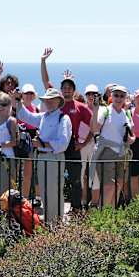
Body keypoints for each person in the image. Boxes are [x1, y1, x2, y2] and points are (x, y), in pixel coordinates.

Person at [40, 48, 93, 211]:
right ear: (61, 89)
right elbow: (45, 81)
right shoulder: (55, 101)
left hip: (72, 145)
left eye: (70, 87)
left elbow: (94, 126)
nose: (67, 89)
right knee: (55, 179)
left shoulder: (80, 107)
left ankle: (76, 209)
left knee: (76, 180)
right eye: (64, 87)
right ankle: (55, 208)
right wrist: (43, 61)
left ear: (74, 90)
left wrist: (83, 144)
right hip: (54, 145)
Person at [14, 87, 72, 222]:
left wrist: (42, 144)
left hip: (53, 158)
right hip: (42, 158)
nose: (49, 102)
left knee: (53, 191)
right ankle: (50, 223)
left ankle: (56, 224)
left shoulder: (64, 118)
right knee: (45, 192)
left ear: (59, 101)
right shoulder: (44, 117)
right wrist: (18, 100)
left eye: (52, 100)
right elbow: (24, 116)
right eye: (47, 100)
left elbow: (63, 143)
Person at [89, 85, 135, 207]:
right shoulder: (105, 111)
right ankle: (102, 217)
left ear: (125, 98)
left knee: (118, 185)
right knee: (109, 187)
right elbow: (94, 129)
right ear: (111, 96)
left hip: (122, 153)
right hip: (106, 152)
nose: (119, 98)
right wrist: (95, 110)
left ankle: (110, 217)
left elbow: (133, 135)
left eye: (122, 96)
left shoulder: (127, 114)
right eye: (116, 95)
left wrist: (130, 139)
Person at [81, 84, 104, 204]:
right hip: (82, 145)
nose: (91, 96)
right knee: (82, 173)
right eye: (88, 94)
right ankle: (84, 200)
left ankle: (94, 202)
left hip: (95, 145)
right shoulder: (81, 108)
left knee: (95, 174)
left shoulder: (103, 110)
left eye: (94, 94)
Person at [18, 83, 40, 199]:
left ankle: (29, 198)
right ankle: (23, 198)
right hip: (19, 143)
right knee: (21, 173)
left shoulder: (37, 109)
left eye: (31, 93)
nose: (29, 95)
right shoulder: (17, 108)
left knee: (30, 173)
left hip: (32, 144)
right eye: (26, 93)